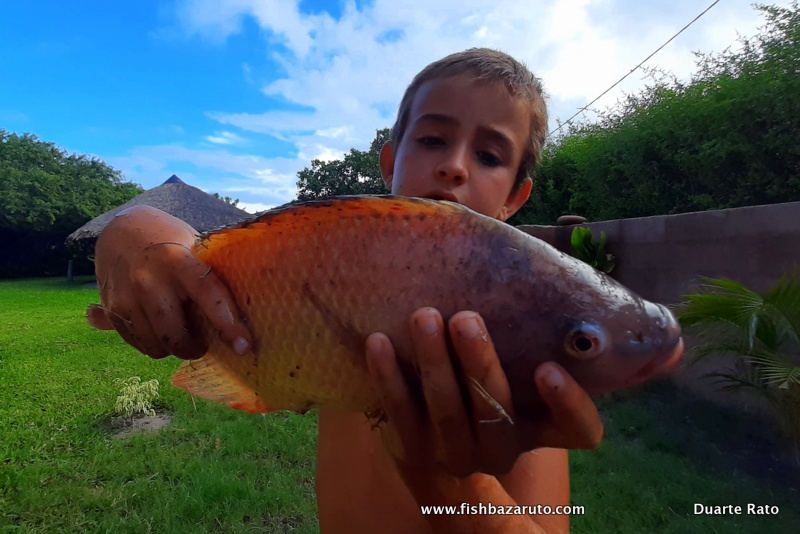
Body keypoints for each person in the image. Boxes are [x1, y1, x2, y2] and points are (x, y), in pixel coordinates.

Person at [88, 48, 603, 533]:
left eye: (490, 156)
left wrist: (446, 475)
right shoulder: (335, 273)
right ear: (389, 163)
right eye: (431, 140)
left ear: (516, 196)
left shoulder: (515, 350)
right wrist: (132, 228)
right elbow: (224, 259)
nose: (455, 166)